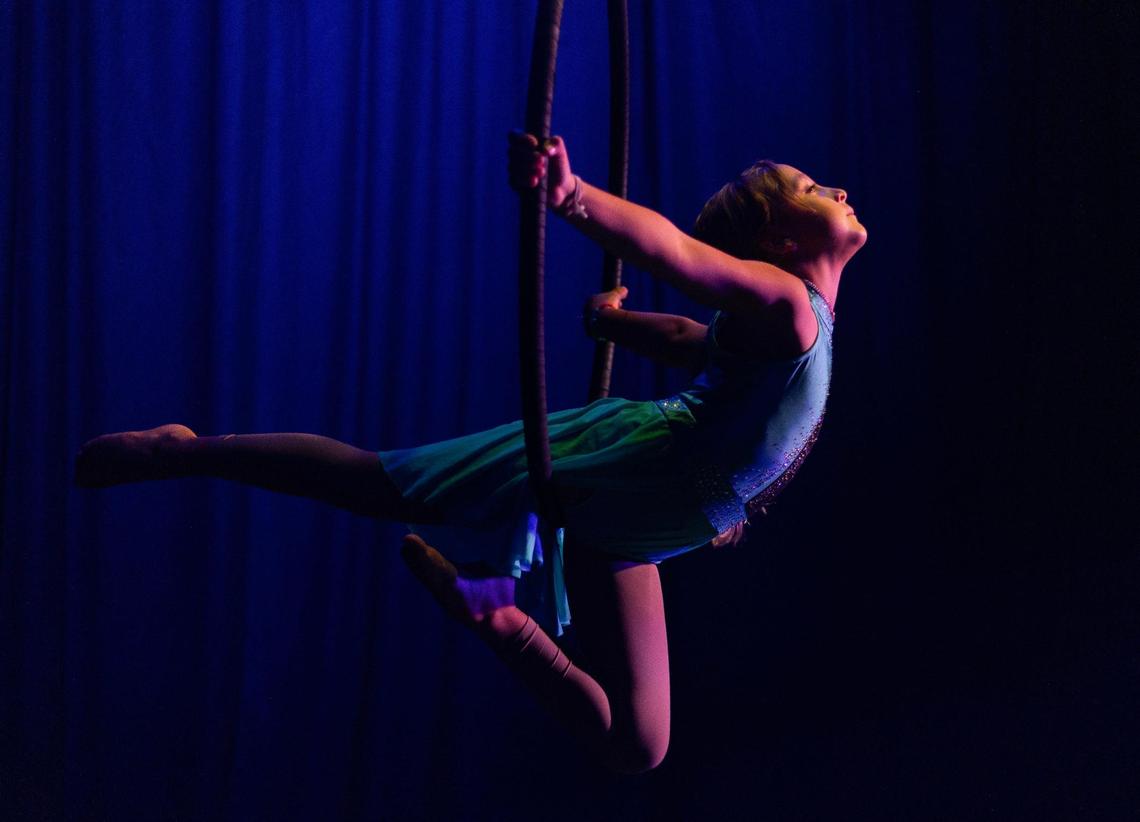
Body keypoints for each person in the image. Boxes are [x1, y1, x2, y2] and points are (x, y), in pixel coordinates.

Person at [74, 133, 866, 774]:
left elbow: (693, 341)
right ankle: (190, 450)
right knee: (379, 483)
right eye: (812, 187)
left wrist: (612, 325)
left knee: (640, 746)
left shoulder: (794, 327)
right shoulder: (789, 304)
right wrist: (573, 198)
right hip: (635, 468)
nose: (834, 187)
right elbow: (680, 260)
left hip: (651, 526)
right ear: (779, 242)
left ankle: (496, 614)